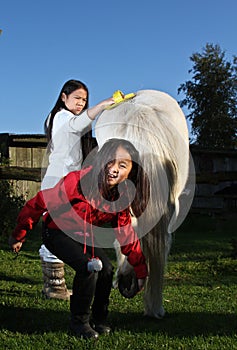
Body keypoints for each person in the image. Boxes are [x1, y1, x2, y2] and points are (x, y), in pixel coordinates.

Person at [9, 138, 149, 340]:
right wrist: (19, 235)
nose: (114, 169)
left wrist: (140, 269)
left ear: (131, 172)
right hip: (56, 231)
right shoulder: (75, 182)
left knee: (106, 270)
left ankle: (99, 319)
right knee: (89, 267)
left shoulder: (121, 196)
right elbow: (37, 203)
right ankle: (79, 322)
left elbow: (126, 234)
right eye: (110, 161)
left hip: (83, 237)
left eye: (123, 165)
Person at [40, 79, 114, 299]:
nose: (81, 103)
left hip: (62, 179)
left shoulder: (59, 117)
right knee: (57, 228)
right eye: (77, 98)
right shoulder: (63, 117)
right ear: (64, 97)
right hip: (60, 181)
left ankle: (54, 285)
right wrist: (103, 105)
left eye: (84, 99)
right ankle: (54, 287)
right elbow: (78, 125)